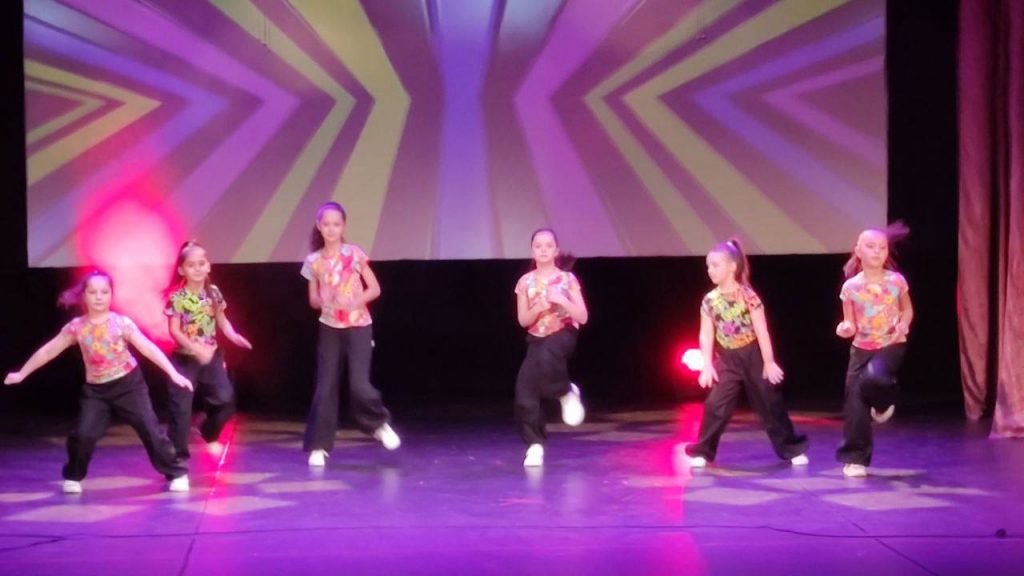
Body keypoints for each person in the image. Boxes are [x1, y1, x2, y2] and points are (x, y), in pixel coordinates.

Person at [4, 270, 192, 493]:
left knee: (150, 429)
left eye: (104, 292)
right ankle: (73, 476)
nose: (99, 297)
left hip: (129, 386)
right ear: (84, 296)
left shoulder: (121, 323)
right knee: (84, 434)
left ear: (111, 294)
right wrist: (22, 373)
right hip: (96, 391)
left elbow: (148, 348)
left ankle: (176, 473)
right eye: (93, 292)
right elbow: (48, 351)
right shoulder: (76, 327)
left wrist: (173, 373)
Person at [683, 239, 809, 468]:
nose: (710, 270)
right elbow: (706, 334)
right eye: (708, 266)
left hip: (752, 355)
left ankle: (791, 448)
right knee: (715, 405)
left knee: (769, 402)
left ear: (732, 266)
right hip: (727, 359)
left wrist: (768, 362)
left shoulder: (748, 296)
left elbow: (762, 330)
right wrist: (707, 364)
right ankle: (703, 451)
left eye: (715, 265)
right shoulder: (710, 300)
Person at [302, 202, 400, 467]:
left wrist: (354, 301)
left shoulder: (354, 253)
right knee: (325, 386)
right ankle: (319, 445)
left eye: (336, 224)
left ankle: (378, 424)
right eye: (326, 224)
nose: (331, 229)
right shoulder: (313, 261)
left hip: (359, 324)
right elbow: (313, 300)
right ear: (319, 226)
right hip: (329, 327)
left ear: (343, 226)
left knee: (359, 384)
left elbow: (375, 289)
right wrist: (322, 298)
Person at [835, 224, 913, 478]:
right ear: (858, 250)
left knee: (875, 377)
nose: (877, 252)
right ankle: (855, 459)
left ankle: (882, 404)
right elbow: (849, 322)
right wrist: (845, 328)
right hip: (861, 348)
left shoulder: (896, 281)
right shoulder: (851, 287)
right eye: (871, 247)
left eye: (882, 247)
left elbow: (907, 309)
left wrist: (904, 323)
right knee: (854, 403)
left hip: (891, 343)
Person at [164, 240, 252, 458]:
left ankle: (207, 431)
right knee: (181, 409)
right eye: (191, 265)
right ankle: (178, 457)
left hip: (211, 356)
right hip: (185, 359)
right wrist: (194, 348)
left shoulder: (213, 292)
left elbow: (222, 320)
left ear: (208, 266)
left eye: (201, 263)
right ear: (181, 270)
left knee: (225, 399)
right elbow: (174, 330)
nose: (197, 269)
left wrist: (234, 336)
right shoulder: (177, 297)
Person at [513, 228, 588, 467]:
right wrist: (537, 308)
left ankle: (565, 392)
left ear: (556, 250)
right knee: (525, 391)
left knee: (548, 355)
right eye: (538, 246)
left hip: (563, 333)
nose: (543, 250)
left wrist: (562, 300)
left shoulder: (567, 279)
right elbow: (523, 320)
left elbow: (583, 316)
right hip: (537, 337)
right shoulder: (525, 282)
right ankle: (535, 445)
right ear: (532, 251)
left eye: (548, 246)